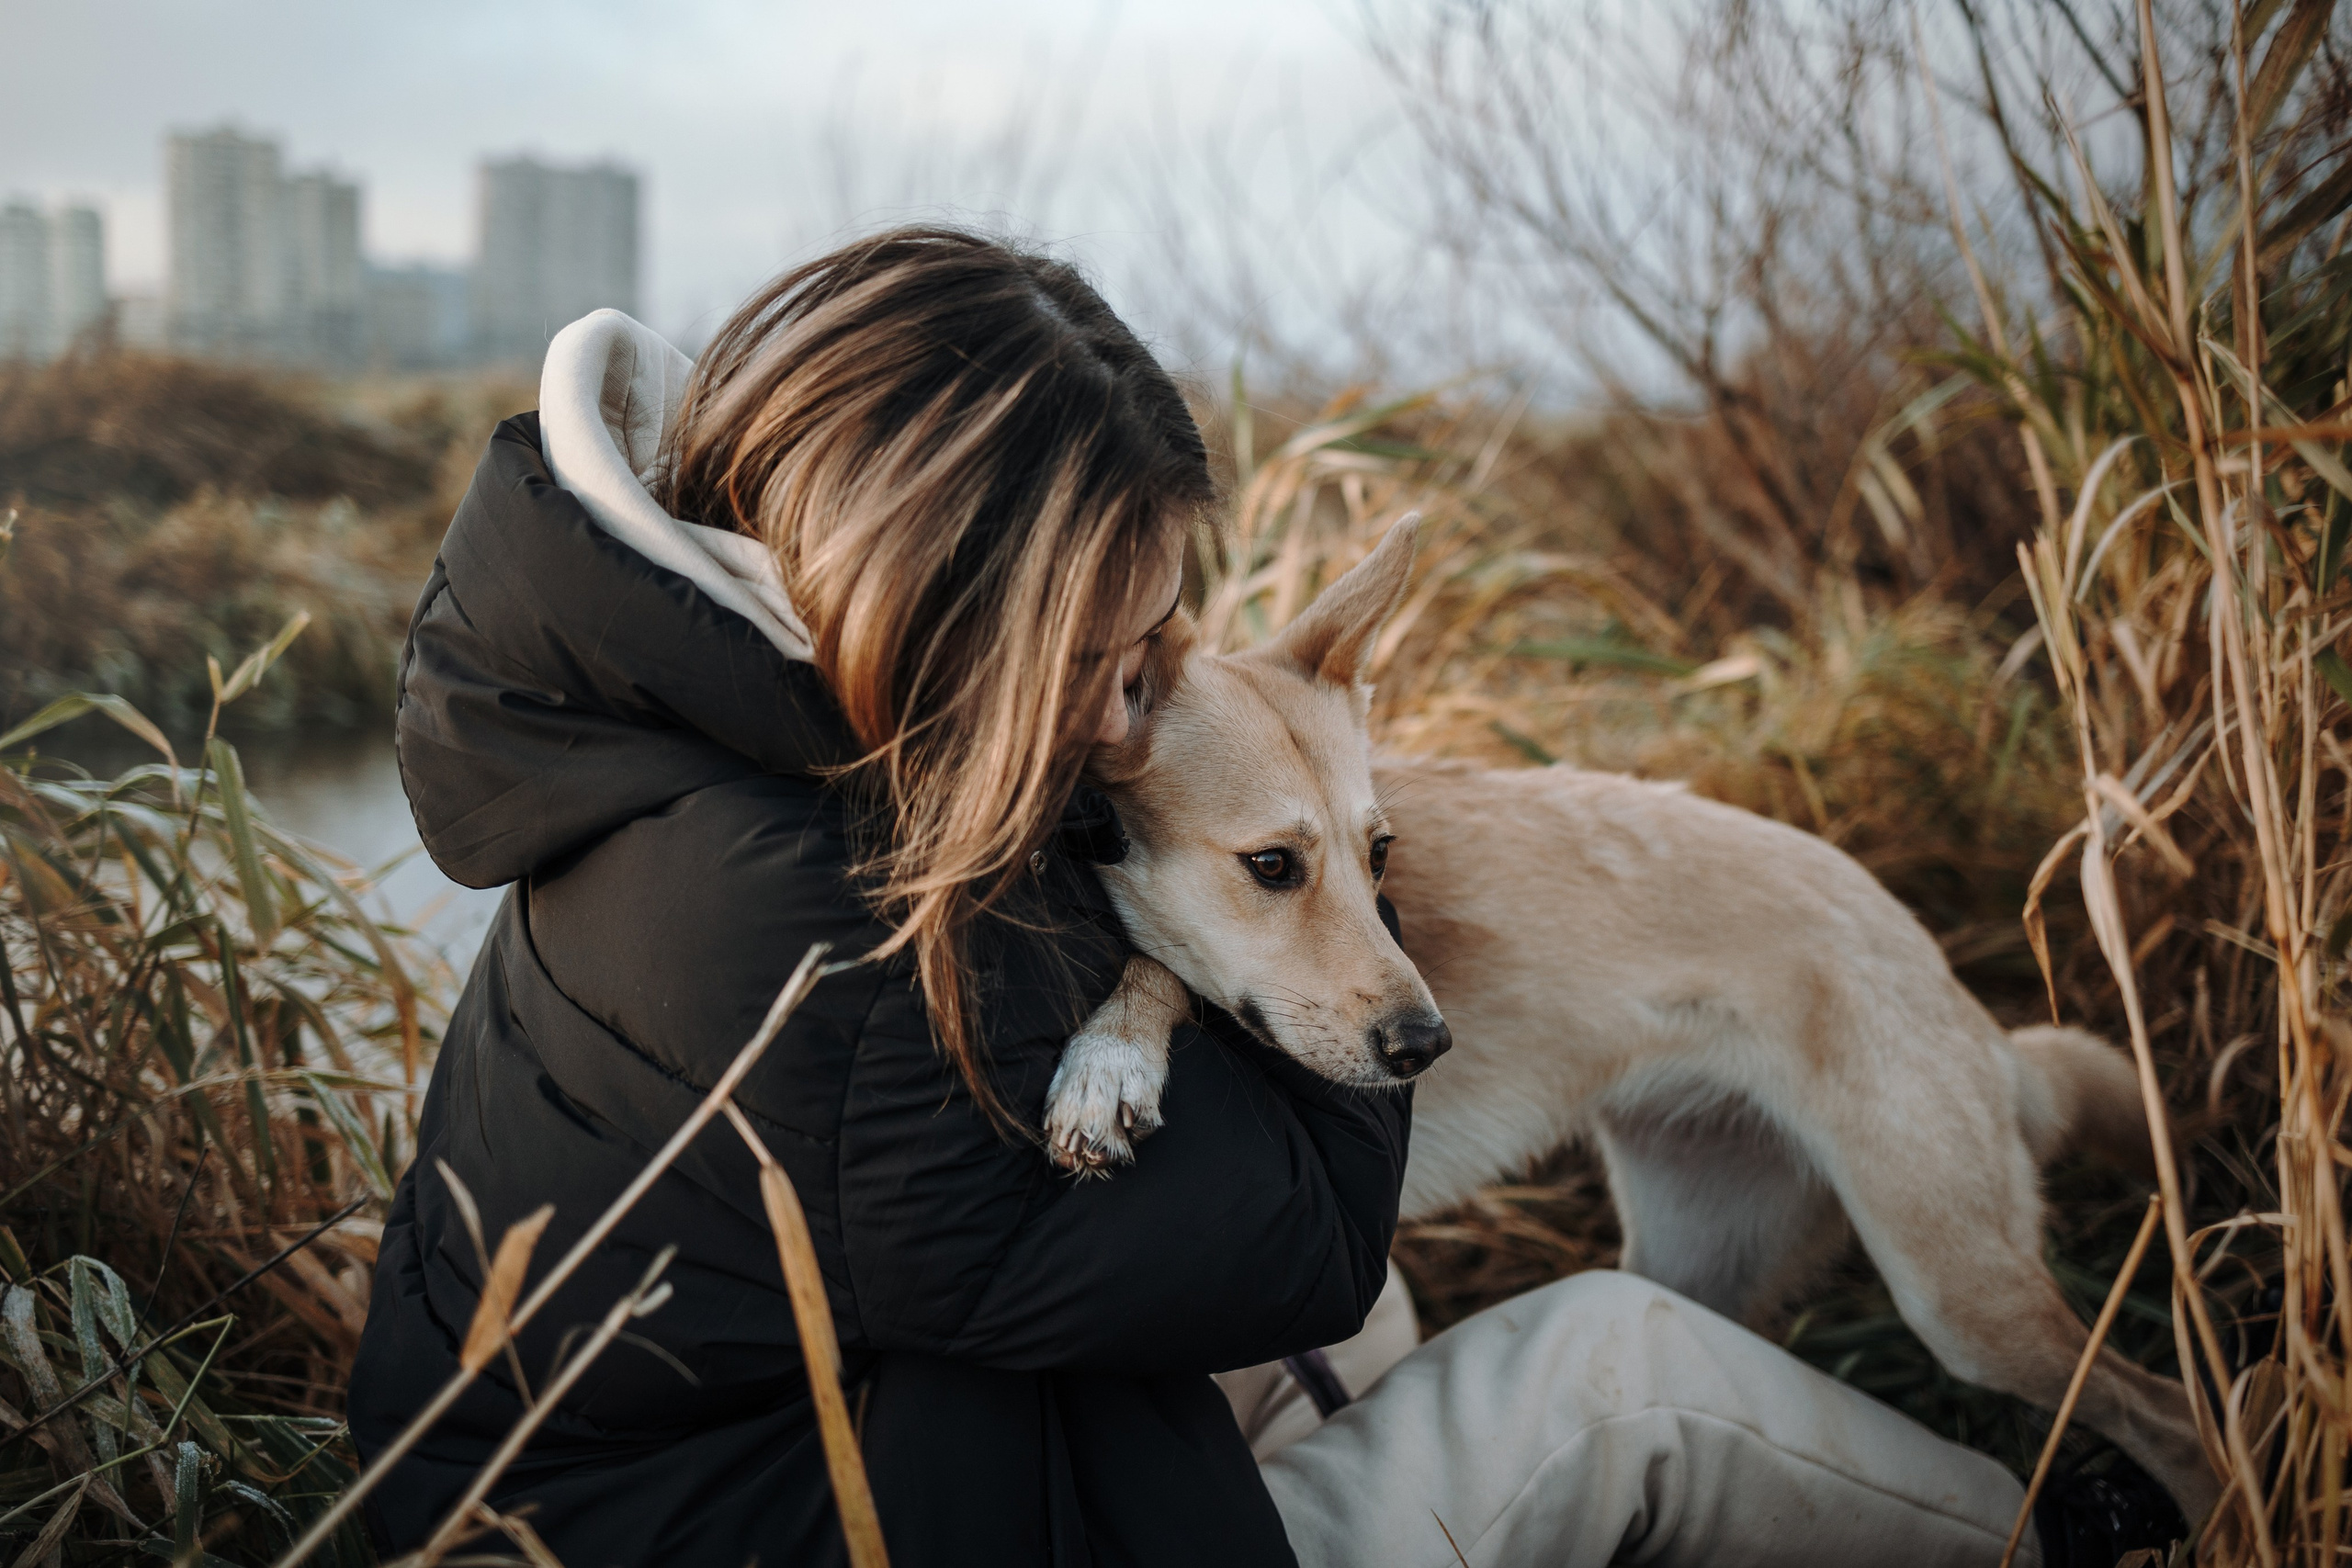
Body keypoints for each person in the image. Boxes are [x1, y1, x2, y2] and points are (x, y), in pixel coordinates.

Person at [347, 227, 2169, 1567]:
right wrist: (1357, 943)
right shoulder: (812, 921)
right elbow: (1293, 1219)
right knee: (1615, 1366)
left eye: (1158, 646)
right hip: (811, 1527)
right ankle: (2072, 1543)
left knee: (1368, 1339)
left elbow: (1065, 1233)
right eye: (1110, 653)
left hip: (758, 1477)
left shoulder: (681, 748)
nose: (1140, 712)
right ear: (944, 595)